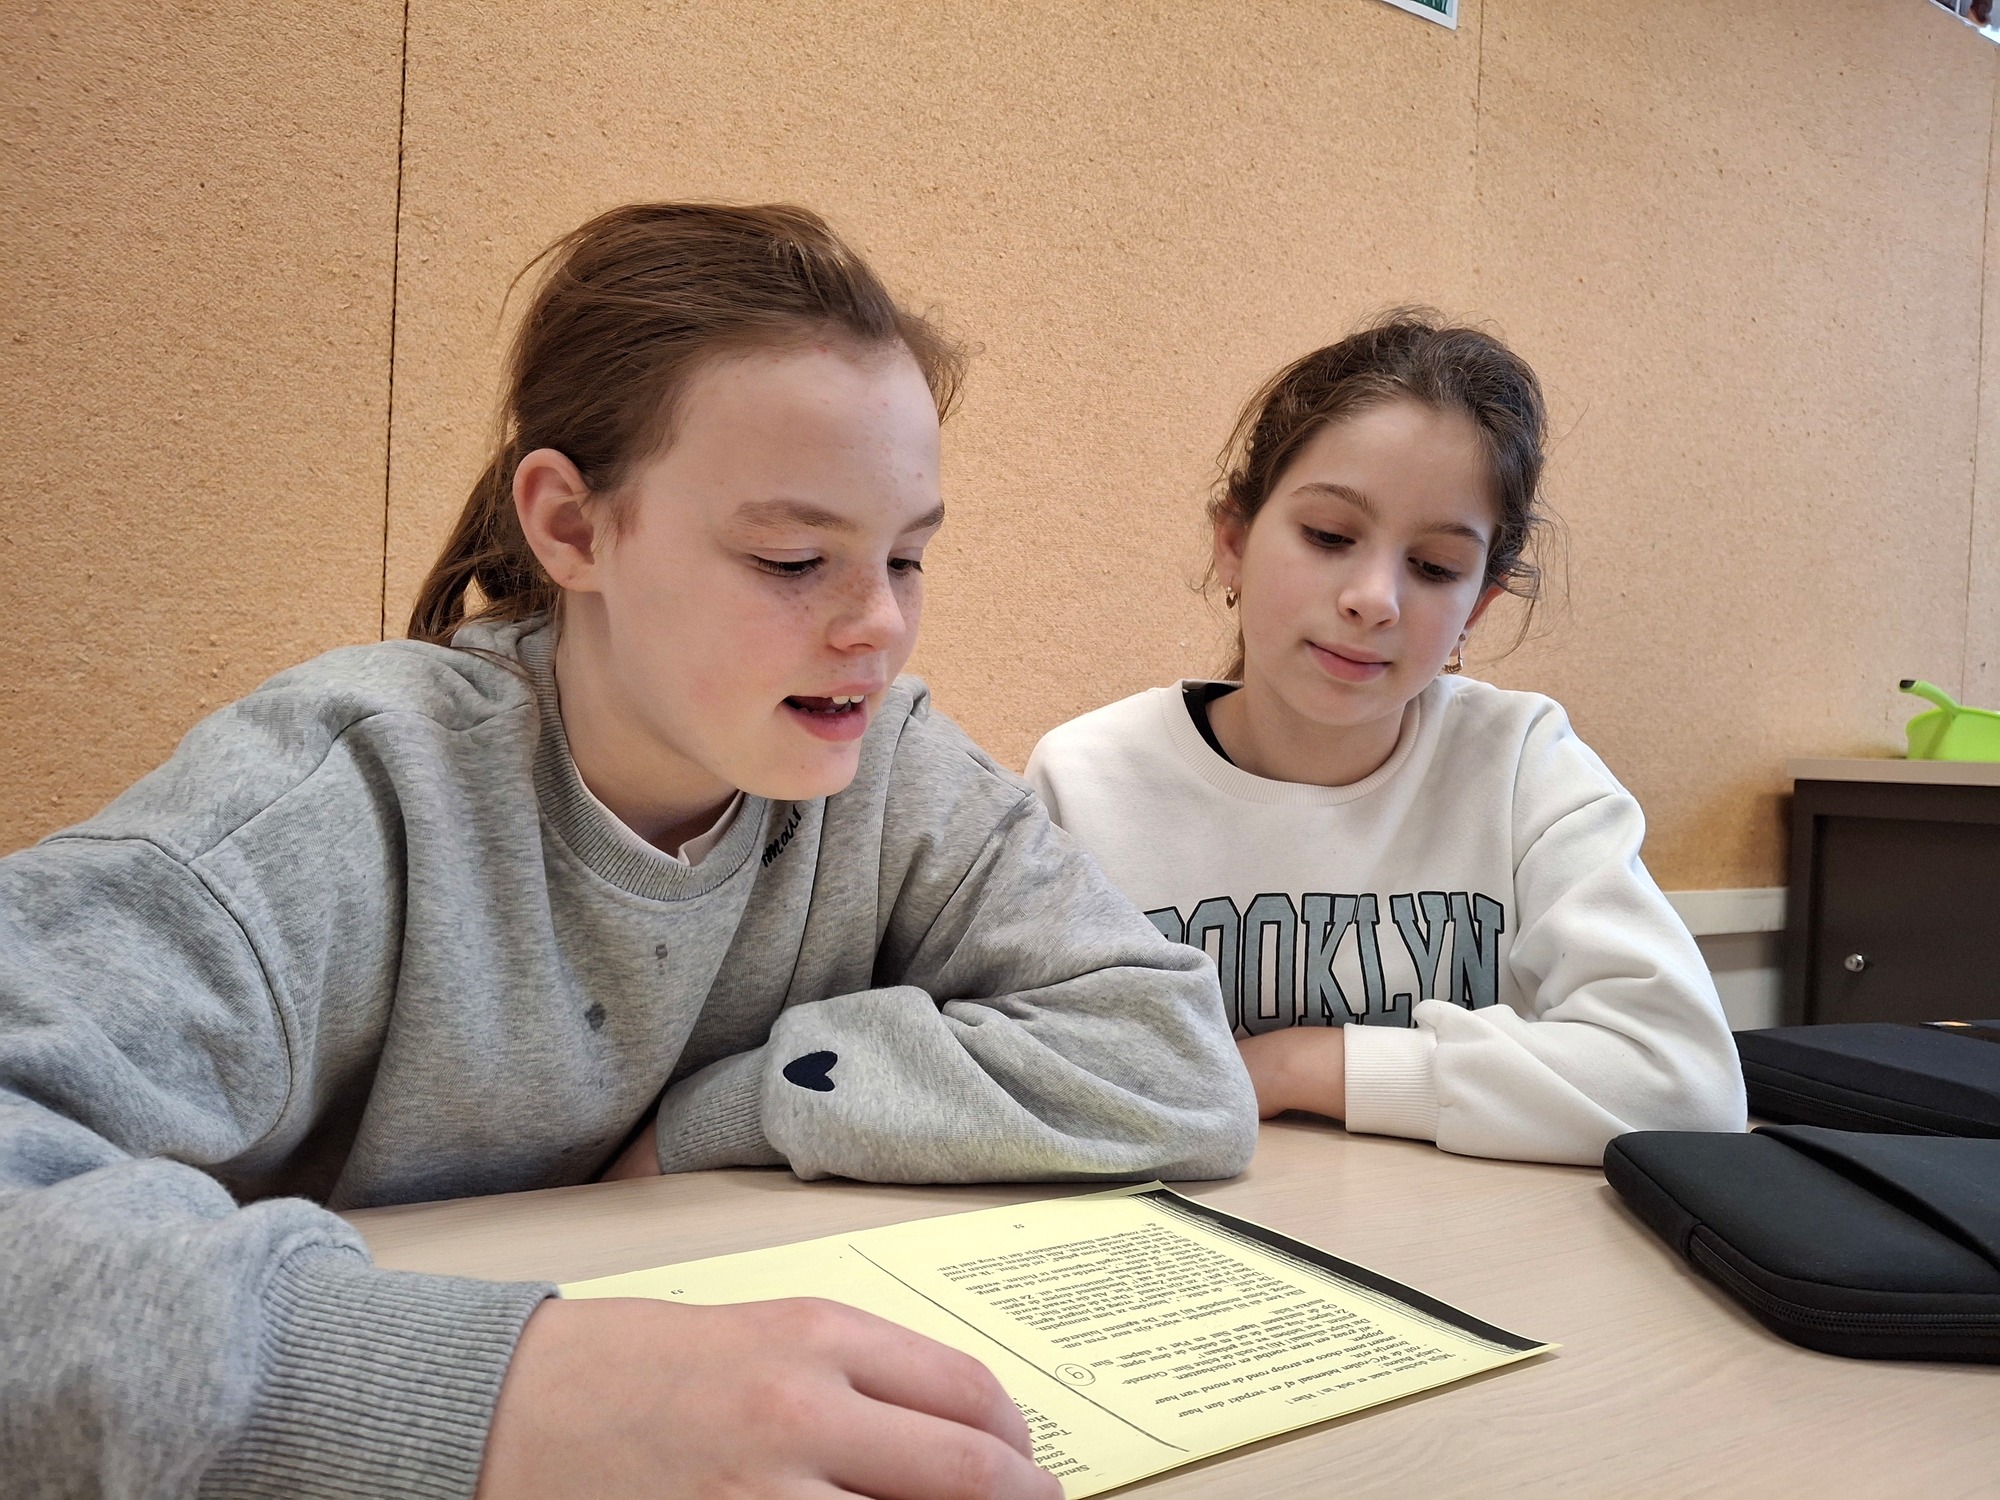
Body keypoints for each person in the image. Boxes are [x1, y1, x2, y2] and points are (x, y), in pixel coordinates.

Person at [0, 203, 1256, 1499]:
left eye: (907, 557)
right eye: (792, 559)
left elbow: (1172, 1062)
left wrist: (734, 1108)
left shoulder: (889, 763)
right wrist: (489, 1398)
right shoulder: (345, 798)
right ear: (571, 525)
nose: (878, 625)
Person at [1025, 311, 1746, 1168]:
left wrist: (1298, 1066)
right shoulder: (1087, 781)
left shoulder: (1523, 766)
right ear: (1234, 542)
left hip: (1468, 1238)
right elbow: (1027, 1073)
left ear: (1477, 607)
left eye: (1435, 567)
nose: (1374, 598)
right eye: (1329, 536)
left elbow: (1688, 1085)